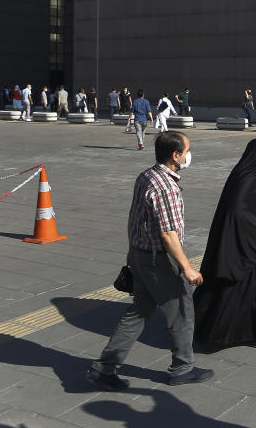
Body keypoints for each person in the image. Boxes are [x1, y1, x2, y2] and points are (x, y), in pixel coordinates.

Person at [85, 131, 214, 390]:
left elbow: (135, 218)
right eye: (187, 151)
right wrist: (187, 268)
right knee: (181, 312)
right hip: (159, 261)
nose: (189, 155)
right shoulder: (165, 187)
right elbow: (168, 235)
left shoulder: (146, 176)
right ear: (175, 156)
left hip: (142, 256)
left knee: (139, 312)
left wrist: (132, 251)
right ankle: (182, 368)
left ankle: (104, 368)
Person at [194, 139, 256, 348]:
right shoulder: (248, 177)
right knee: (232, 290)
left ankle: (253, 327)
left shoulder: (247, 173)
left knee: (252, 288)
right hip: (242, 246)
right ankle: (220, 332)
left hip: (248, 245)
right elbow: (238, 212)